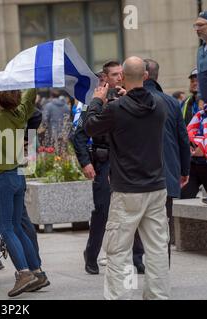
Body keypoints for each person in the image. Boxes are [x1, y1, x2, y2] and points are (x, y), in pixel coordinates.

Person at [85, 57, 169, 300]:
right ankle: (158, 296)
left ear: (121, 78)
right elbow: (140, 111)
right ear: (146, 76)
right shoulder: (160, 105)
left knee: (118, 250)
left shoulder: (116, 109)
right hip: (156, 186)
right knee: (157, 248)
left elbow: (90, 127)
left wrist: (96, 102)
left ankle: (120, 296)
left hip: (127, 189)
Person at [0, 76, 48, 297]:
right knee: (17, 226)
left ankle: (24, 273)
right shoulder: (20, 114)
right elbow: (29, 98)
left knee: (5, 228)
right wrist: (31, 78)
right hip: (18, 175)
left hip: (3, 177)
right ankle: (37, 271)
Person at [72, 61, 145, 275]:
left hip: (128, 161)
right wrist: (85, 162)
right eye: (114, 75)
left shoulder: (130, 96)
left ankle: (137, 257)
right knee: (102, 210)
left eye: (121, 74)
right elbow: (79, 134)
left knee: (133, 209)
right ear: (105, 78)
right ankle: (92, 255)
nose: (119, 78)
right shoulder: (95, 102)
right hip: (105, 162)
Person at [143, 58, 191, 264]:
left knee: (136, 225)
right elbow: (183, 139)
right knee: (163, 226)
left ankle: (138, 263)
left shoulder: (127, 100)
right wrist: (184, 170)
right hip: (167, 174)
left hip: (137, 176)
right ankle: (163, 269)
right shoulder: (172, 102)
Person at [194, 11, 207, 106]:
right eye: (196, 26)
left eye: (200, 25)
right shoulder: (200, 50)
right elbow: (200, 77)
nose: (197, 29)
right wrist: (200, 97)